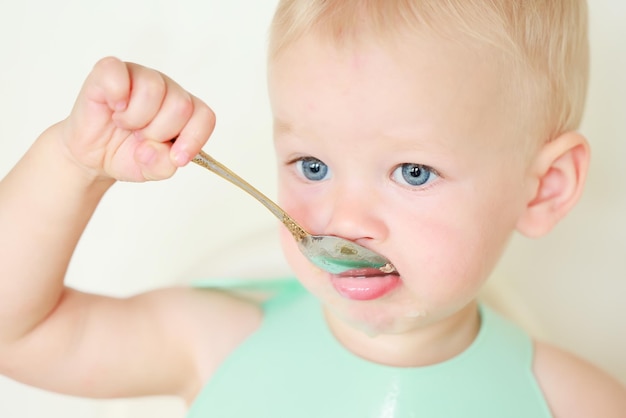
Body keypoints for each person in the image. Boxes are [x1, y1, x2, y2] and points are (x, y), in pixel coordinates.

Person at [1, 0, 625, 416]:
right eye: (313, 166)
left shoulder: (574, 403)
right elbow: (16, 334)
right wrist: (71, 164)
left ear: (542, 189)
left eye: (413, 172)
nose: (343, 219)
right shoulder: (215, 339)